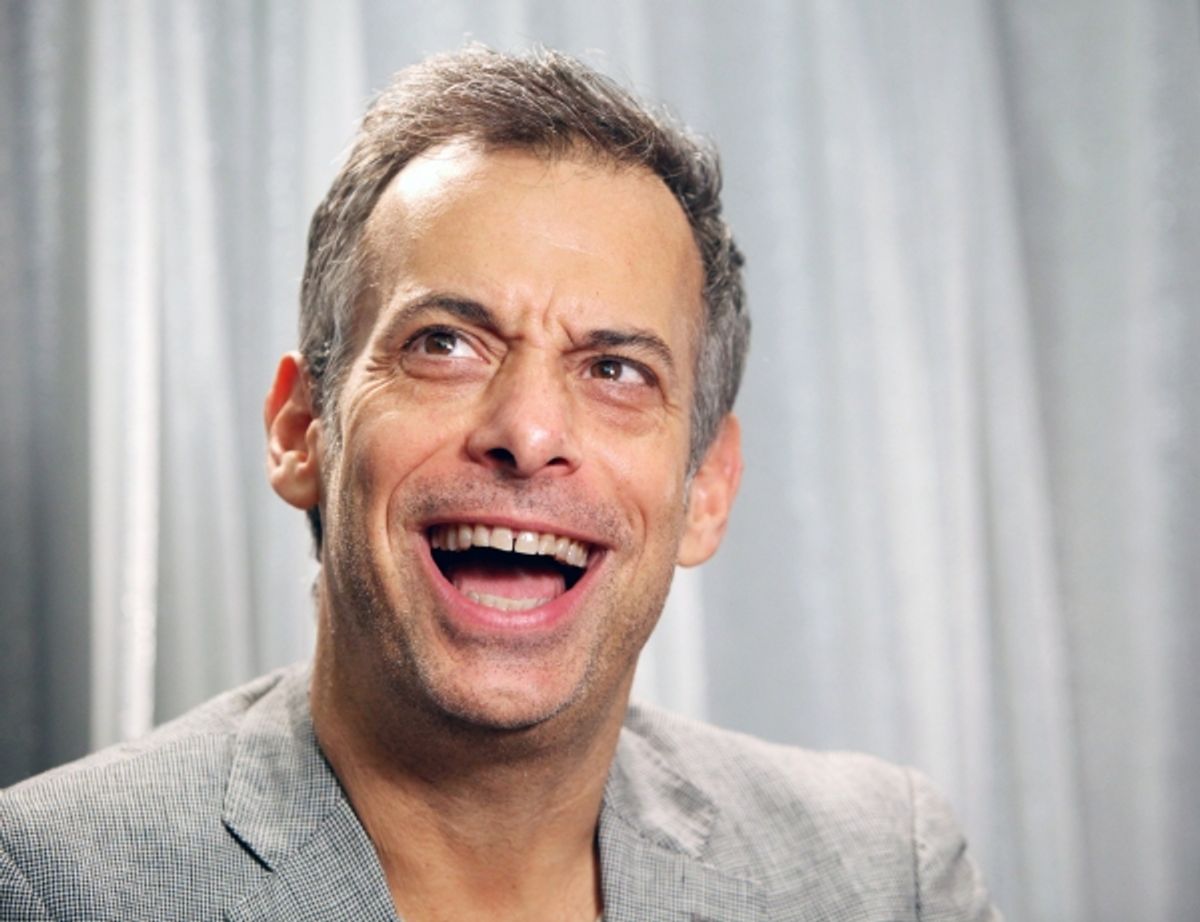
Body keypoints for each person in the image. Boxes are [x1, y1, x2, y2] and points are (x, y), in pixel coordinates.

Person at [0, 47, 1000, 921]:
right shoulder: (47, 883)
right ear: (301, 428)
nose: (527, 431)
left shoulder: (886, 874)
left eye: (615, 369)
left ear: (706, 488)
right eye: (444, 344)